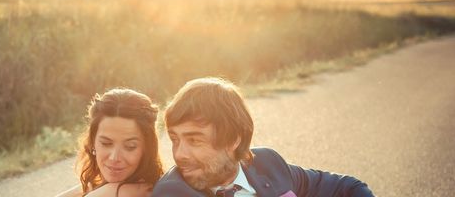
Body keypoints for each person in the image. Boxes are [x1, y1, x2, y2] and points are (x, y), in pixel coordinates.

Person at [152, 77, 374, 197]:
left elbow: (347, 186)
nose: (179, 154)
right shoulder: (173, 191)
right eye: (174, 139)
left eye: (195, 140)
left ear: (233, 140)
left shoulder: (268, 162)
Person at [57, 88, 164, 197]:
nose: (114, 157)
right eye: (106, 143)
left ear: (147, 149)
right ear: (93, 142)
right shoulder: (101, 187)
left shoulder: (144, 192)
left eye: (130, 147)